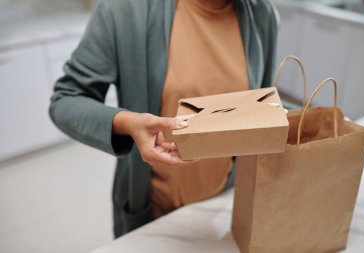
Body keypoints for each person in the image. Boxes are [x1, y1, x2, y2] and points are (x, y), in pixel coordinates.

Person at [49, 0, 279, 238]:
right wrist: (125, 121)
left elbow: (258, 108)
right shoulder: (125, 11)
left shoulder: (263, 15)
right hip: (154, 210)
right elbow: (65, 100)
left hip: (226, 201)